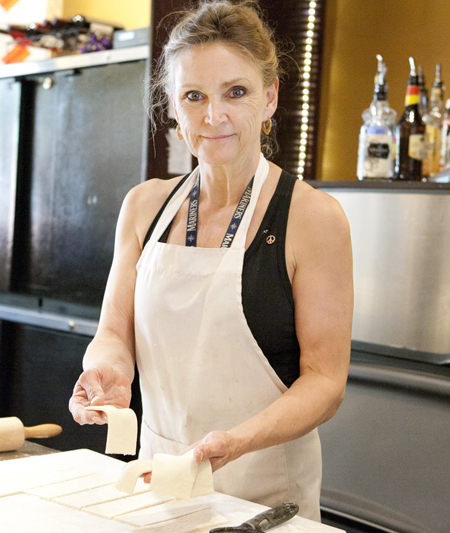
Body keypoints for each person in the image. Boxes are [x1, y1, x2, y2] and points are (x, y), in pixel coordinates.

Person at [69, 0, 353, 522]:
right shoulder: (143, 206)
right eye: (193, 96)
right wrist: (105, 369)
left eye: (236, 93)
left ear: (269, 99)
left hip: (265, 502)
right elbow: (114, 331)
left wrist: (238, 441)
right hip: (159, 487)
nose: (213, 115)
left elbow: (326, 381)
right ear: (173, 110)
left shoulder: (313, 218)